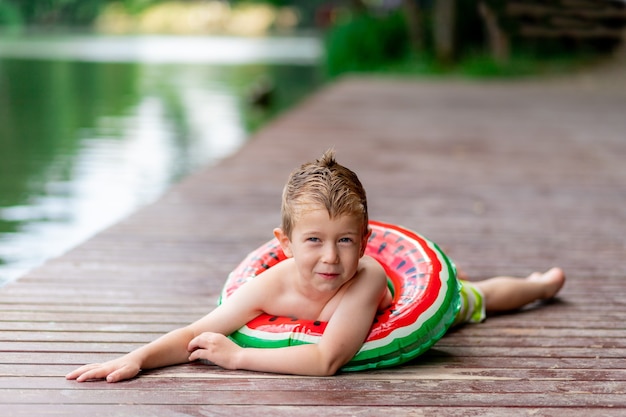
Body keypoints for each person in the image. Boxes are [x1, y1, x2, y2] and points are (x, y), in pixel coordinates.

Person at [66, 149, 565, 383]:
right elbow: (197, 331)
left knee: (480, 299)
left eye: (346, 240)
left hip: (419, 306)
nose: (331, 257)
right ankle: (529, 285)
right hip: (311, 299)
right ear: (283, 243)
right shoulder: (271, 284)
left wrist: (239, 358)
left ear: (367, 242)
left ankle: (537, 286)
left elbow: (327, 361)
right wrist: (137, 357)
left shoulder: (364, 278)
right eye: (314, 241)